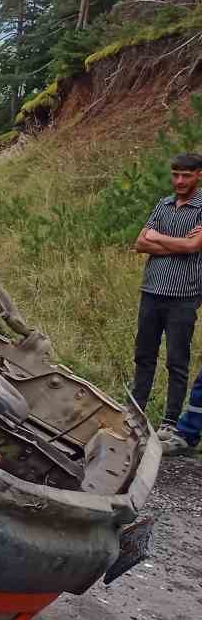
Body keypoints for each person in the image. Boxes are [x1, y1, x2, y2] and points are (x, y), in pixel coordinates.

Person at [129, 152, 202, 454]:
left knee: (176, 360)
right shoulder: (163, 204)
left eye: (186, 175)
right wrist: (180, 244)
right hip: (152, 290)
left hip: (184, 295)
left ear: (198, 175)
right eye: (175, 174)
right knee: (144, 355)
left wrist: (158, 238)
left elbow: (194, 246)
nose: (180, 181)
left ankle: (169, 422)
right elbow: (139, 243)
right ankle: (134, 414)